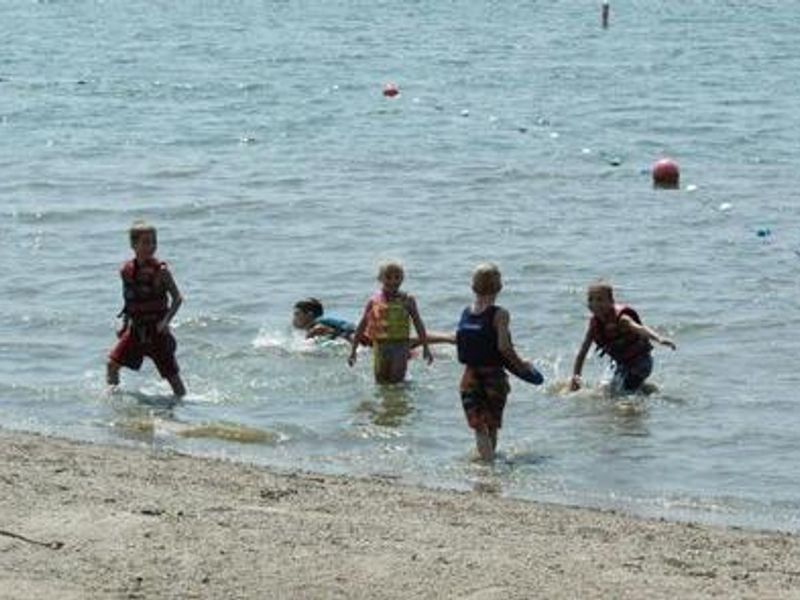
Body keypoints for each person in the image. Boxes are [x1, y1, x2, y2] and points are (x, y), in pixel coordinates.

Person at [456, 263, 535, 462]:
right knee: (491, 423)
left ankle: (486, 463)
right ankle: (489, 466)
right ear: (500, 287)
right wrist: (521, 365)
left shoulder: (466, 312)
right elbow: (504, 347)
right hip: (494, 377)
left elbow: (462, 340)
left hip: (470, 376)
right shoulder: (500, 314)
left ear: (472, 287)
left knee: (478, 425)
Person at [107, 221, 186, 397]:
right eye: (145, 242)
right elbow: (129, 300)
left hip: (157, 331)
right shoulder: (126, 271)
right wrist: (125, 325)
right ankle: (114, 401)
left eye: (153, 242)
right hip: (135, 330)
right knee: (112, 365)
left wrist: (166, 322)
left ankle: (182, 410)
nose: (150, 246)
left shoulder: (161, 272)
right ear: (133, 245)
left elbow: (178, 299)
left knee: (173, 379)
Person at [570, 281, 676, 394]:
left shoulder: (622, 319)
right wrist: (576, 378)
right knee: (608, 389)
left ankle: (635, 400)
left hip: (641, 363)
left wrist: (659, 339)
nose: (595, 304)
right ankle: (647, 390)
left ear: (611, 302)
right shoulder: (594, 326)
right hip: (623, 365)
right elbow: (582, 353)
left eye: (600, 299)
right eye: (591, 299)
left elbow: (640, 329)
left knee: (621, 393)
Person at [348, 261, 433, 384]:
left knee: (397, 381)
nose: (393, 281)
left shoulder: (407, 300)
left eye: (397, 277)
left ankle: (398, 402)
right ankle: (385, 403)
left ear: (402, 279)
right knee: (381, 382)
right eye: (388, 277)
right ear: (380, 279)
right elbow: (362, 325)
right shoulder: (374, 301)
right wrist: (353, 351)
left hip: (401, 346)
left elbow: (418, 323)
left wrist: (426, 347)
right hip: (380, 346)